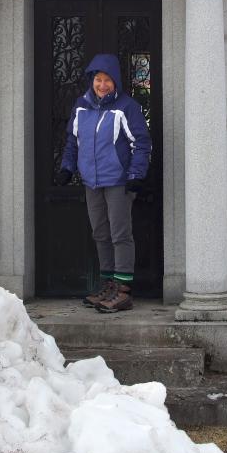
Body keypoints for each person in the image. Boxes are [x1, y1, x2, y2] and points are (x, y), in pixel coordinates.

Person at [57, 53, 151, 313]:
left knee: (120, 234)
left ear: (115, 82)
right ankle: (108, 284)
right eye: (98, 79)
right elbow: (72, 143)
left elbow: (141, 143)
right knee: (100, 233)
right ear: (92, 81)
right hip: (92, 182)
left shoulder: (126, 107)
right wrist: (67, 168)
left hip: (118, 181)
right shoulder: (81, 106)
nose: (102, 85)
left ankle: (123, 290)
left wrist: (136, 175)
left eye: (107, 80)